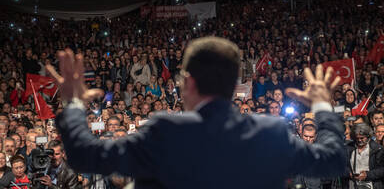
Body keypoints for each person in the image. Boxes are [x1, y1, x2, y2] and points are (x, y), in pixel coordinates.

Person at [47, 37, 346, 189]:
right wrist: (322, 105)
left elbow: (85, 154)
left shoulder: (165, 130)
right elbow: (333, 160)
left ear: (188, 82)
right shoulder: (272, 132)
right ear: (233, 85)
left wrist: (73, 103)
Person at [345, 123, 384, 189]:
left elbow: (382, 169)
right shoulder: (349, 148)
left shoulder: (377, 149)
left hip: (371, 184)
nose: (359, 140)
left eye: (362, 138)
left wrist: (367, 175)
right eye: (357, 138)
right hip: (352, 184)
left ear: (368, 136)